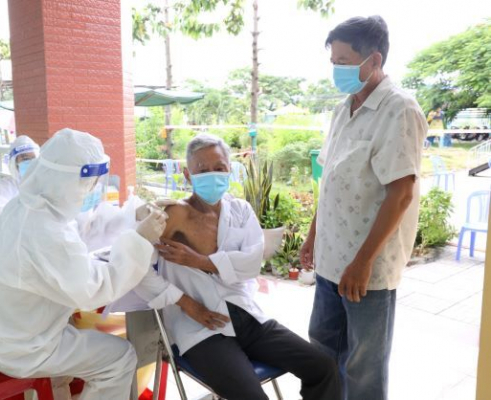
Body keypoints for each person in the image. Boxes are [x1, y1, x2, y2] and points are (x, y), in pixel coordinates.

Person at [0, 128, 168, 400]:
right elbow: (95, 289)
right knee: (119, 359)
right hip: (22, 347)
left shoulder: (29, 205)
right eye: (89, 182)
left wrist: (133, 215)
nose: (93, 188)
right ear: (66, 180)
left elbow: (84, 229)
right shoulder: (45, 231)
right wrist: (141, 240)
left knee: (79, 341)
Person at [134, 134, 341, 400]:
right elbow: (137, 271)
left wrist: (199, 261)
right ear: (187, 174)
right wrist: (186, 302)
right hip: (200, 328)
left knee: (323, 367)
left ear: (230, 169)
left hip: (247, 317)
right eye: (202, 170)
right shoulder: (171, 216)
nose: (213, 175)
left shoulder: (240, 211)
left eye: (219, 168)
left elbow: (252, 264)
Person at [300, 16, 428, 400]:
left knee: (363, 366)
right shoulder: (344, 109)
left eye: (343, 60)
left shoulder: (398, 110)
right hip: (330, 259)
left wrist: (362, 261)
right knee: (322, 349)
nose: (336, 69)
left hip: (367, 269)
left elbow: (400, 194)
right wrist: (312, 236)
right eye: (333, 60)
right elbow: (331, 182)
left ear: (373, 60)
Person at [0, 135, 39, 225]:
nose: (30, 162)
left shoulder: (44, 184)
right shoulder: (5, 186)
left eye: (33, 158)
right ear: (14, 163)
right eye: (25, 159)